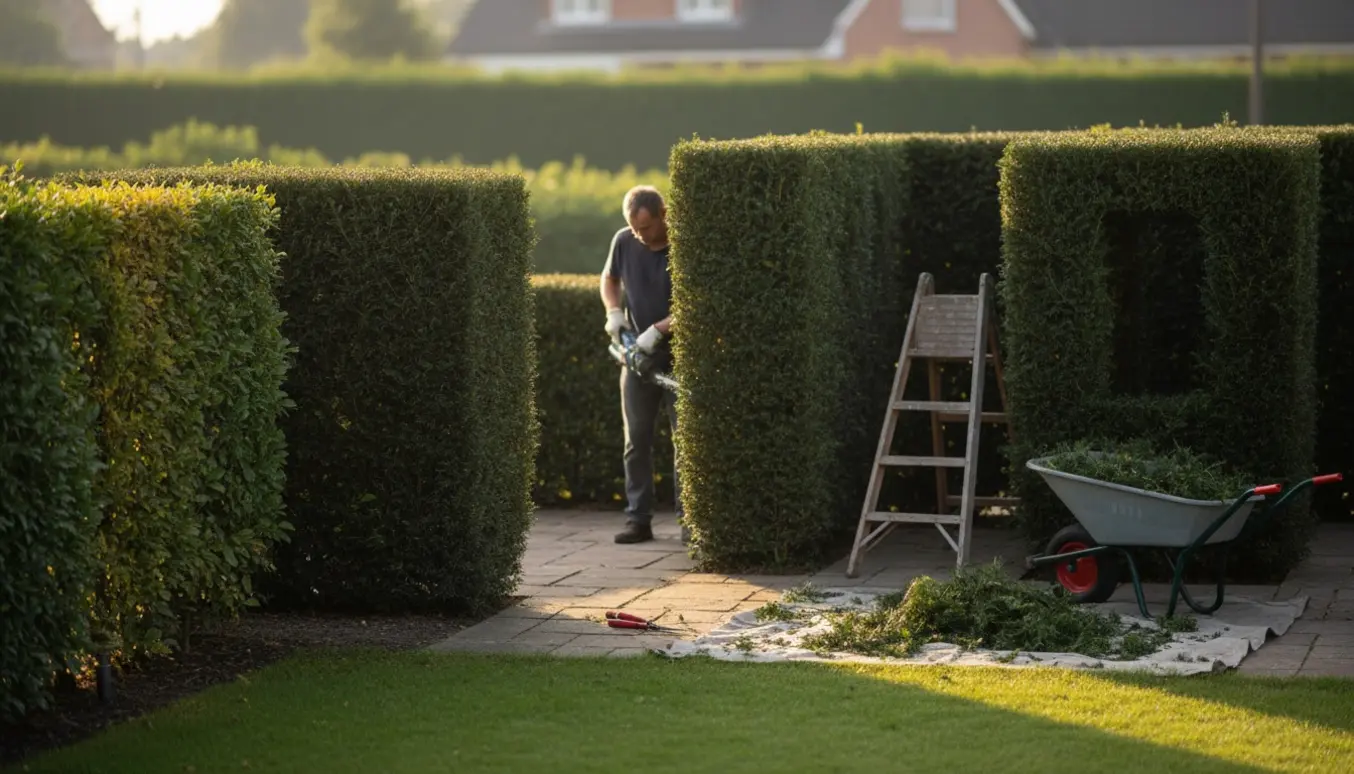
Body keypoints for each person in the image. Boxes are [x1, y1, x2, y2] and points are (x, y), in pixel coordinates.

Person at [601, 185, 684, 545]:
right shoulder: (624, 240)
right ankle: (638, 520)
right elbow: (610, 278)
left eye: (645, 228)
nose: (639, 234)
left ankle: (691, 523)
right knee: (636, 440)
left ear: (663, 215)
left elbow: (695, 301)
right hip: (638, 359)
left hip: (677, 356)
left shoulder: (683, 244)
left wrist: (661, 329)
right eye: (633, 227)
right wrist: (614, 312)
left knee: (685, 442)